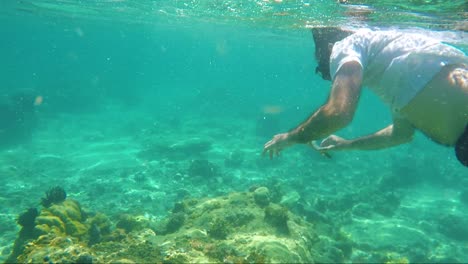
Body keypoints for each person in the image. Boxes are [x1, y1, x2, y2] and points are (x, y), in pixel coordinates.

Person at [262, 27, 468, 167]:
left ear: (326, 48)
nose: (326, 74)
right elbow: (400, 134)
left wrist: (291, 137)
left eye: (320, 66)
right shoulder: (397, 70)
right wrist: (347, 145)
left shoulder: (346, 46)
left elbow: (338, 113)